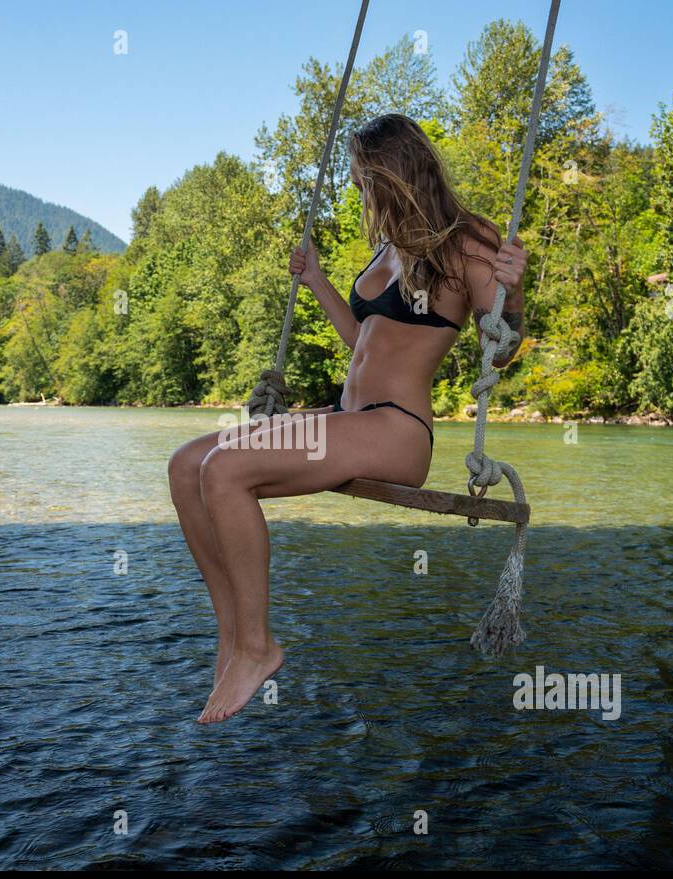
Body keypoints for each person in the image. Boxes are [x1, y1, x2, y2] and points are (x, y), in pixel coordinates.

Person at [167, 114, 528, 723]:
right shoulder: (388, 248)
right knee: (186, 466)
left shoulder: (467, 241)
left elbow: (506, 341)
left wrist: (514, 292)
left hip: (395, 429)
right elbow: (364, 339)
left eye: (364, 180)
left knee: (226, 470)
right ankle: (233, 640)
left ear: (394, 174)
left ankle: (258, 647)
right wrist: (315, 282)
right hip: (346, 417)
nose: (359, 192)